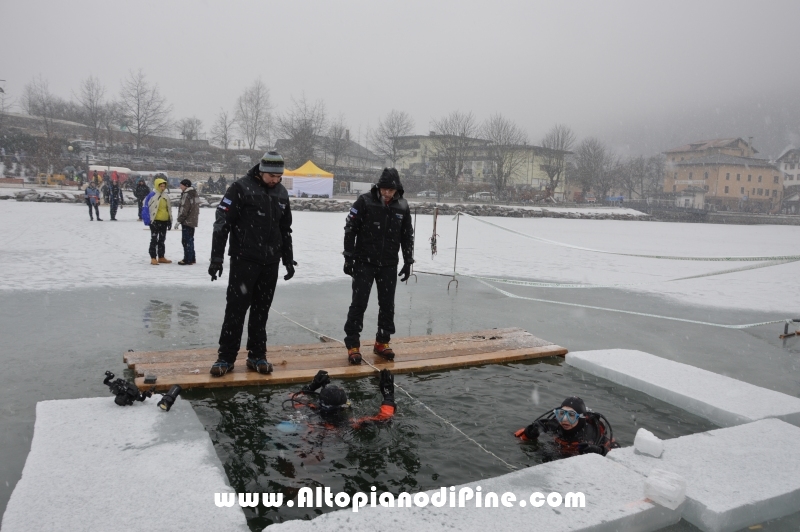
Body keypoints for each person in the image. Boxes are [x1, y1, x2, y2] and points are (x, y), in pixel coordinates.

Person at [208, 151, 296, 377]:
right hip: (244, 260)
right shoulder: (240, 188)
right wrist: (216, 258)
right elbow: (221, 223)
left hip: (270, 262)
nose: (275, 180)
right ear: (260, 170)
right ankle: (225, 357)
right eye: (271, 176)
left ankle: (257, 354)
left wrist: (287, 258)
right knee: (236, 310)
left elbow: (284, 229)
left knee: (261, 311)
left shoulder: (281, 192)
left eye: (278, 176)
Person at [342, 168, 414, 365]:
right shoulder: (364, 201)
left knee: (387, 304)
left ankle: (382, 341)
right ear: (378, 187)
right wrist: (348, 257)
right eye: (384, 189)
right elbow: (350, 229)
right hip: (364, 262)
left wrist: (408, 261)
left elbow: (407, 236)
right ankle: (353, 344)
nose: (387, 194)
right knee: (359, 303)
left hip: (389, 264)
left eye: (391, 190)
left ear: (397, 189)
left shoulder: (403, 206)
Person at [286, 369, 396, 429]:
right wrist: (388, 396)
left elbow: (293, 396)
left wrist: (313, 386)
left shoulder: (308, 409)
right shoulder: (346, 424)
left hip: (304, 431)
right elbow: (384, 419)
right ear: (344, 406)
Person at [514, 396, 618, 458]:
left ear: (581, 417)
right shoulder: (554, 426)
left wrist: (599, 451)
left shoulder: (593, 434)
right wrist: (529, 433)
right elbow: (518, 437)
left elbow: (618, 453)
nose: (564, 419)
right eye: (561, 414)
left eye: (571, 415)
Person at [147, 178, 173, 265]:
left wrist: (170, 220)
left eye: (164, 186)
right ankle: (153, 257)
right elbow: (145, 207)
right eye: (161, 186)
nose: (163, 188)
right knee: (154, 239)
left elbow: (169, 209)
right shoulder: (152, 195)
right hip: (155, 220)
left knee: (162, 239)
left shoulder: (166, 196)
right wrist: (148, 219)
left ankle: (161, 256)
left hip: (164, 221)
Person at [175, 179, 199, 265]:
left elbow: (184, 209)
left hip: (186, 221)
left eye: (181, 185)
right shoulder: (194, 194)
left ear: (186, 186)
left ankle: (187, 259)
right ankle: (192, 258)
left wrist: (179, 221)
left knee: (186, 240)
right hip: (193, 220)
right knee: (190, 240)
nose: (180, 187)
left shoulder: (186, 195)